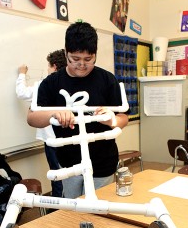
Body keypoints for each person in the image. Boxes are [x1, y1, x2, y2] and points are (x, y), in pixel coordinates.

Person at [27, 22, 128, 199]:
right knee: (73, 212)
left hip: (103, 162)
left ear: (95, 55)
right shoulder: (52, 83)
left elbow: (123, 117)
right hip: (68, 161)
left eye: (88, 59)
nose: (81, 64)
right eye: (75, 59)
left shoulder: (107, 80)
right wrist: (54, 114)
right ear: (66, 53)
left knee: (100, 213)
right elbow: (32, 117)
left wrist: (112, 120)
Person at [16, 49, 67, 197]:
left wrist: (21, 73)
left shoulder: (44, 85)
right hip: (68, 137)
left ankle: (58, 207)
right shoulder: (70, 84)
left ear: (55, 66)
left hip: (51, 140)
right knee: (70, 173)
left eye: (49, 66)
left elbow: (22, 92)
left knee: (56, 174)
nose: (47, 69)